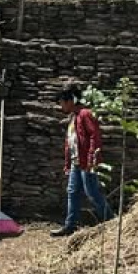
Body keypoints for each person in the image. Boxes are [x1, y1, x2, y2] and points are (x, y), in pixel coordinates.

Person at [51, 87, 113, 237]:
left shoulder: (85, 114)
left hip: (86, 161)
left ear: (71, 101)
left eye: (62, 102)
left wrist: (92, 158)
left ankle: (112, 222)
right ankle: (70, 226)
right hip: (76, 162)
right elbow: (71, 142)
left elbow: (94, 136)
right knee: (72, 192)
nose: (61, 106)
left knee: (92, 192)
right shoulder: (74, 117)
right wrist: (68, 163)